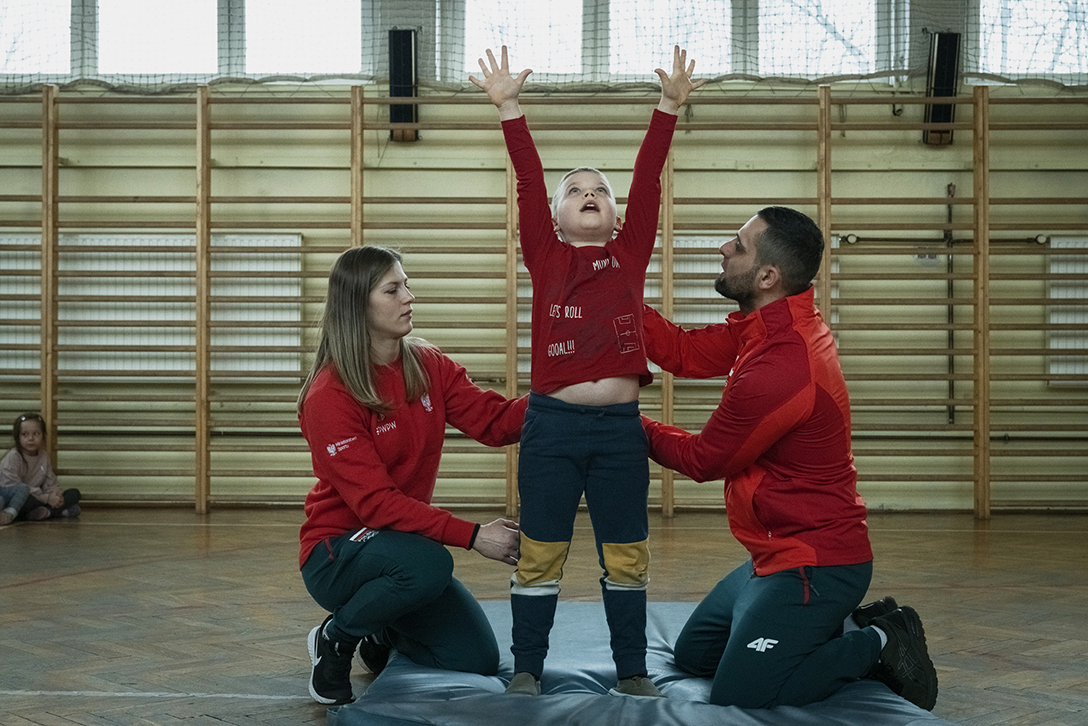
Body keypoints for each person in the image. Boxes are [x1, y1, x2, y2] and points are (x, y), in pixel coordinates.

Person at [469, 45, 704, 698]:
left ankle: (633, 670)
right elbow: (527, 177)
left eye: (600, 189)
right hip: (552, 429)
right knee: (540, 553)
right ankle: (526, 668)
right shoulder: (546, 256)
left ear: (619, 215)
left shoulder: (629, 255)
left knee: (626, 555)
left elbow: (649, 178)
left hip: (620, 434)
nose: (590, 194)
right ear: (555, 217)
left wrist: (668, 106)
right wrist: (509, 109)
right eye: (575, 191)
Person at [639, 207, 939, 711]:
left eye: (738, 245)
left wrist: (629, 424)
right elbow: (684, 353)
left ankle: (881, 639)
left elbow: (704, 460)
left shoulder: (783, 363)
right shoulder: (767, 325)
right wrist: (618, 300)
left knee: (743, 692)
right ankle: (819, 628)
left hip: (817, 564)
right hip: (773, 557)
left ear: (767, 277)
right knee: (695, 656)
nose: (723, 249)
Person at [298, 245, 527, 706]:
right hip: (337, 552)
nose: (409, 297)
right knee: (430, 564)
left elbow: (496, 423)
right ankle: (336, 639)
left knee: (473, 657)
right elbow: (376, 505)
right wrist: (474, 535)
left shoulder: (427, 364)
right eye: (393, 289)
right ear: (359, 304)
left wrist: (563, 391)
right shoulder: (330, 394)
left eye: (406, 285)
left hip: (402, 548)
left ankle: (379, 630)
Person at [1, 412, 81, 522]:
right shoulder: (13, 457)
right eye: (25, 434)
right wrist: (46, 498)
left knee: (74, 493)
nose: (31, 438)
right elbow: (13, 487)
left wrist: (56, 495)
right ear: (18, 437)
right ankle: (55, 512)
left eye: (36, 434)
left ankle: (44, 512)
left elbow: (51, 482)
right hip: (20, 499)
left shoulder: (44, 456)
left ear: (43, 436)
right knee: (26, 501)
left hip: (40, 498)